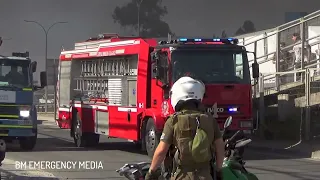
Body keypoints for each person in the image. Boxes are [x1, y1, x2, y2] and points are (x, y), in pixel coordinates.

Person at [145, 76, 225, 180]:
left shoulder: (173, 121)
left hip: (181, 176)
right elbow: (220, 148)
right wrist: (219, 171)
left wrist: (151, 172)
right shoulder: (210, 120)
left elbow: (161, 150)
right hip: (205, 176)